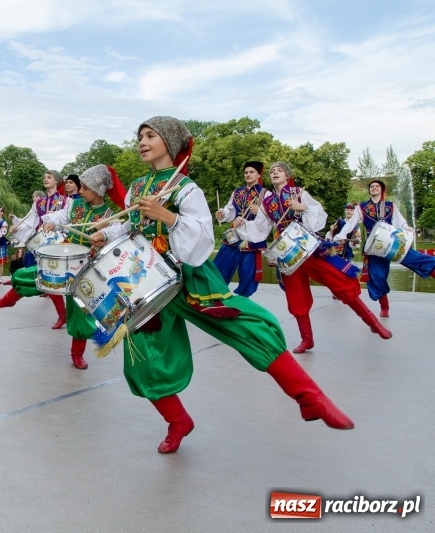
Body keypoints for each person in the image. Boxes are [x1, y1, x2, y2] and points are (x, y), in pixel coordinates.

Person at [84, 117, 354, 455]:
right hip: (148, 281)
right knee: (142, 360)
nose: (142, 141)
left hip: (190, 279)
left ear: (169, 142)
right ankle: (178, 420)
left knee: (251, 327)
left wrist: (166, 216)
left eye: (151, 135)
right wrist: (104, 233)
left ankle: (310, 397)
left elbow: (201, 238)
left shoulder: (185, 188)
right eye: (140, 136)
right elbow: (129, 227)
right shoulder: (138, 187)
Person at [236, 162, 393, 353]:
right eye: (271, 171)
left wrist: (304, 207)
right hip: (287, 253)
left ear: (287, 175)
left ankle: (373, 323)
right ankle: (307, 339)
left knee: (340, 282)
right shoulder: (267, 203)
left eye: (279, 171)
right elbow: (260, 229)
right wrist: (242, 224)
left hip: (308, 247)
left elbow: (319, 215)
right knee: (296, 296)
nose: (274, 173)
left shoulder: (298, 192)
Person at [40, 165, 125, 369]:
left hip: (88, 266)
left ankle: (76, 354)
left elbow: (115, 241)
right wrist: (52, 222)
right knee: (37, 278)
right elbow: (61, 217)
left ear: (98, 189)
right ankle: (6, 299)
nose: (79, 191)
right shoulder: (75, 205)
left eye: (84, 187)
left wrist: (103, 237)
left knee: (81, 311)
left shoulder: (110, 216)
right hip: (67, 257)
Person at [332, 179, 435, 317]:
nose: (374, 188)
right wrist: (341, 235)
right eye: (372, 186)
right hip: (374, 246)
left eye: (377, 186)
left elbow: (400, 222)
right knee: (378, 276)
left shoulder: (390, 205)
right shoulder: (361, 207)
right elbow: (350, 224)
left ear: (382, 189)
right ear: (370, 190)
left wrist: (407, 228)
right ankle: (384, 307)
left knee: (416, 259)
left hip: (392, 241)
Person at [3, 171, 68, 328]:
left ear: (57, 181)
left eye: (49, 177)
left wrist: (56, 223)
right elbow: (30, 222)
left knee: (62, 279)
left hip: (59, 242)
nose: (45, 179)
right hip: (42, 241)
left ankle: (71, 314)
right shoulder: (38, 203)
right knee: (48, 277)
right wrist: (17, 229)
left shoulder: (67, 201)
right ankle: (62, 315)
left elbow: (69, 221)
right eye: (44, 177)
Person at [213, 161, 267, 297]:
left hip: (251, 240)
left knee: (247, 274)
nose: (248, 174)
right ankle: (215, 297)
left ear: (259, 174)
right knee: (219, 269)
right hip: (234, 237)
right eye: (246, 172)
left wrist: (259, 211)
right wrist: (222, 213)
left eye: (252, 172)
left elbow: (269, 218)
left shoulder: (265, 194)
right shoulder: (237, 192)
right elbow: (230, 210)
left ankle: (243, 302)